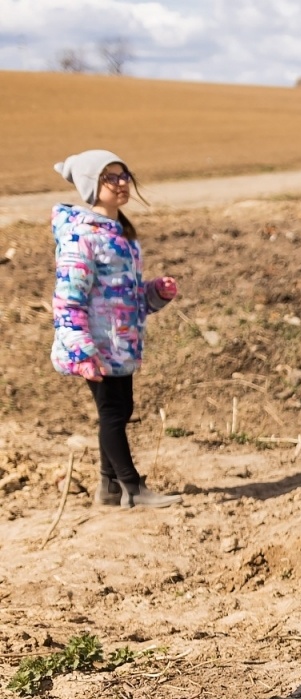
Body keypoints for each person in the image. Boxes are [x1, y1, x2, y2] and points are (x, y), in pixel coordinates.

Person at [50, 150, 181, 508]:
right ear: (93, 186)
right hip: (97, 345)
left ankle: (108, 488)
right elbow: (67, 300)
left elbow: (124, 296)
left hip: (120, 343)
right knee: (112, 414)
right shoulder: (81, 236)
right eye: (111, 177)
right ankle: (132, 488)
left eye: (124, 176)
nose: (122, 184)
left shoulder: (122, 235)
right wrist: (81, 352)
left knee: (121, 410)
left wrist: (154, 292)